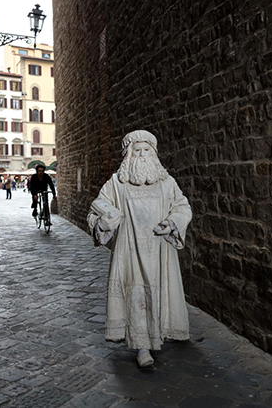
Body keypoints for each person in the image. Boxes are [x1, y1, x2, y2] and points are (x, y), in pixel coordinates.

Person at [87, 130, 192, 368]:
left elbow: (183, 206)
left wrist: (173, 222)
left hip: (159, 250)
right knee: (136, 295)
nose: (142, 154)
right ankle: (142, 346)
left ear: (154, 153)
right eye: (137, 150)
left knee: (160, 292)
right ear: (128, 155)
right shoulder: (117, 183)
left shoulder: (167, 182)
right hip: (130, 251)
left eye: (146, 150)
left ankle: (162, 331)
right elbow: (97, 209)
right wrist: (105, 220)